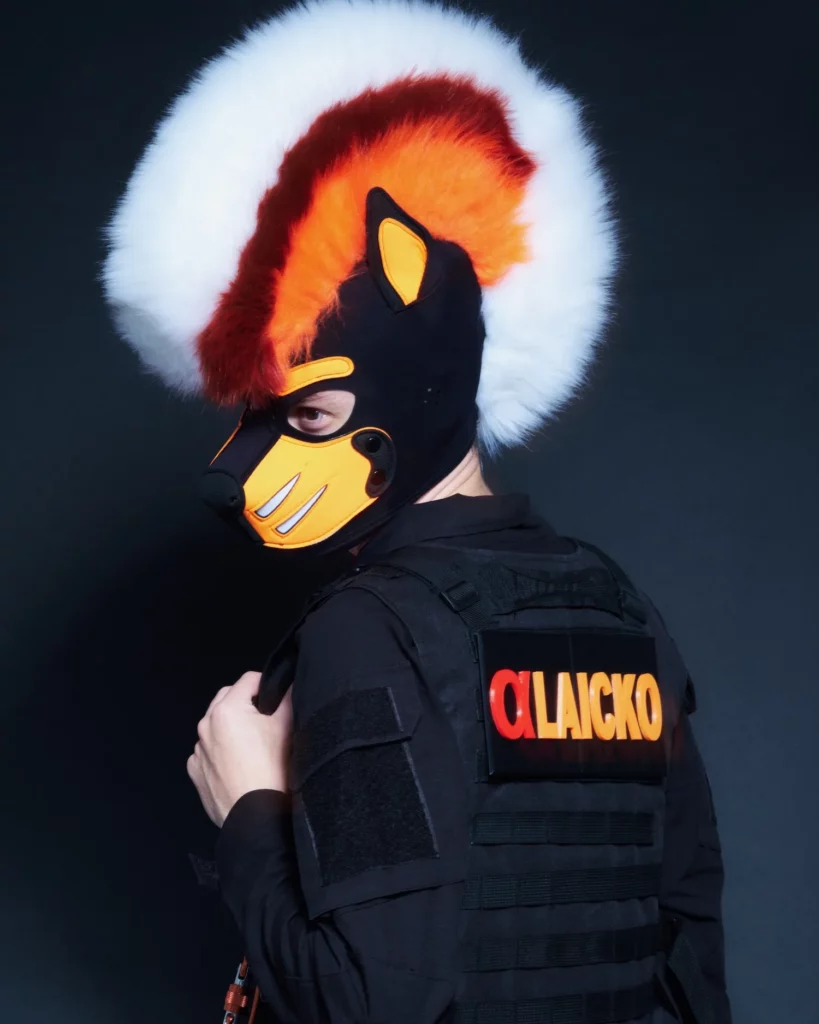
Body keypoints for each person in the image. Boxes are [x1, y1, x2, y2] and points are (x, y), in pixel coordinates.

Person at [102, 2, 732, 1022]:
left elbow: (372, 1001)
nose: (244, 462)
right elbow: (693, 957)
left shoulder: (370, 629)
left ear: (416, 389)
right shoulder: (621, 611)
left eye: (308, 413)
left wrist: (249, 809)